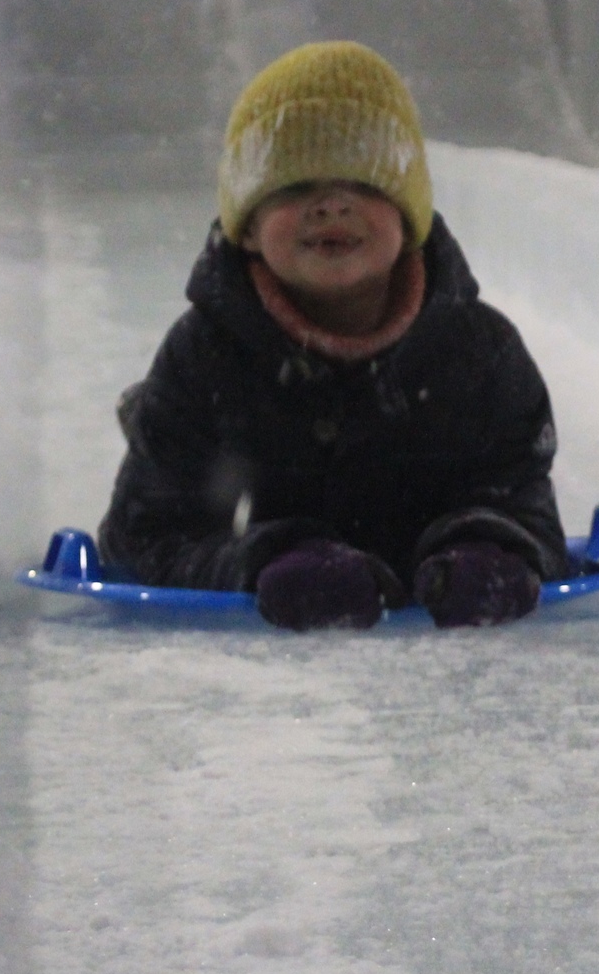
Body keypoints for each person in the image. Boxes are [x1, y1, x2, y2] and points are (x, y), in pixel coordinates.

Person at [97, 41, 570, 632]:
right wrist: (268, 559)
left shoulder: (479, 351)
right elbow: (145, 538)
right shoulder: (206, 357)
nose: (330, 206)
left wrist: (493, 550)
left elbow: (526, 504)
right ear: (246, 228)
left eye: (364, 184)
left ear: (408, 215)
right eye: (295, 188)